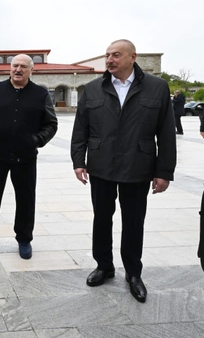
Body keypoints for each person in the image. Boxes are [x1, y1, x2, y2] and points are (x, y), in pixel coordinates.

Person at [70, 39, 176, 303]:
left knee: (133, 221)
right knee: (102, 218)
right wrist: (78, 161)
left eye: (116, 55)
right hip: (101, 165)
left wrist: (164, 171)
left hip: (138, 166)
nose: (109, 60)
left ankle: (133, 273)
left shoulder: (157, 87)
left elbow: (166, 133)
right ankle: (104, 266)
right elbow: (80, 128)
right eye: (107, 55)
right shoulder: (93, 89)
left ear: (132, 57)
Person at [0, 54, 58, 260]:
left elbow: (51, 124)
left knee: (26, 199)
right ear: (10, 68)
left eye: (23, 67)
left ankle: (24, 239)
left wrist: (36, 140)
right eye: (15, 66)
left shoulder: (40, 94)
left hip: (26, 156)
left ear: (31, 70)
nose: (18, 69)